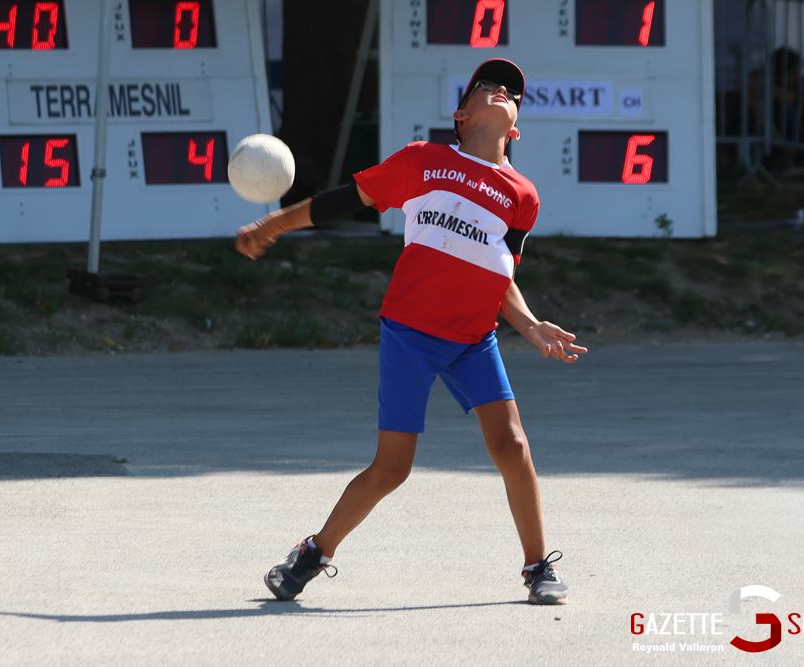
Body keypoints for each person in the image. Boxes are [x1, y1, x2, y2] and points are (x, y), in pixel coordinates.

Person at [236, 58, 586, 606]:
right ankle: (313, 552)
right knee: (393, 468)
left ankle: (538, 565)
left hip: (474, 338)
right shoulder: (424, 161)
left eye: (510, 93)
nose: (499, 92)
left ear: (514, 127)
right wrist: (274, 224)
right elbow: (342, 201)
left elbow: (501, 274)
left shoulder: (523, 196)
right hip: (410, 333)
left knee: (512, 445)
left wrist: (531, 324)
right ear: (462, 115)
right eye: (486, 88)